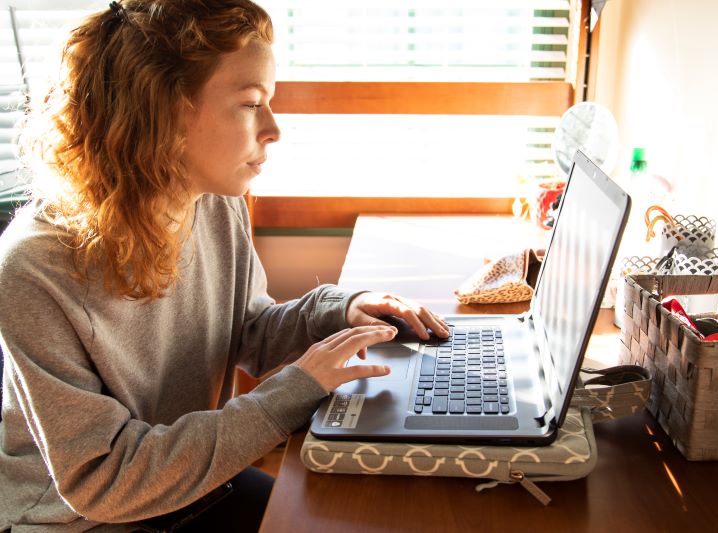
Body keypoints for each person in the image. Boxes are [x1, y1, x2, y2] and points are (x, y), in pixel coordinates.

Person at [0, 1, 449, 530]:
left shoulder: (212, 197)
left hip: (185, 476)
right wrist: (293, 393)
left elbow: (247, 331)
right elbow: (101, 479)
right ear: (161, 111)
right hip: (82, 519)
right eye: (251, 103)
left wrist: (341, 311)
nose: (274, 129)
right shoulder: (32, 268)